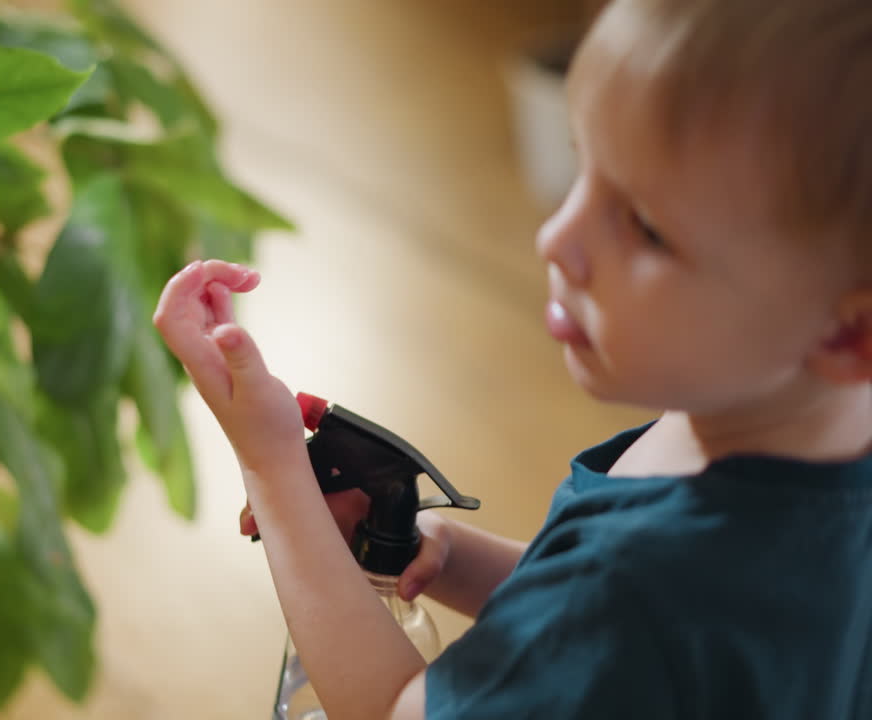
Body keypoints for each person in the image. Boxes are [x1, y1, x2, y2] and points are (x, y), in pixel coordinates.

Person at [151, 0, 872, 717]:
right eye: (582, 163)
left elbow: (401, 708)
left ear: (845, 336)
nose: (557, 238)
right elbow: (623, 658)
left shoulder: (629, 590)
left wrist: (272, 465)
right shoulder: (794, 434)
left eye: (647, 227)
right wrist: (455, 557)